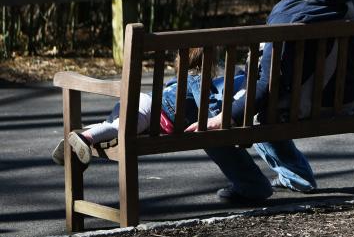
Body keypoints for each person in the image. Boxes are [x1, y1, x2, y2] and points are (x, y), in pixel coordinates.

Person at [187, 0, 354, 205]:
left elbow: (267, 85)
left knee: (197, 85)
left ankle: (250, 183)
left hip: (298, 105)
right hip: (342, 101)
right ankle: (294, 173)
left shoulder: (290, 12)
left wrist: (226, 118)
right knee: (221, 87)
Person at [52, 49, 244, 168]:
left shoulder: (181, 78)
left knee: (111, 125)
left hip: (145, 105)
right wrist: (224, 115)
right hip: (149, 110)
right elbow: (208, 106)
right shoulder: (197, 77)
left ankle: (75, 139)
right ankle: (85, 138)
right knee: (120, 128)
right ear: (209, 63)